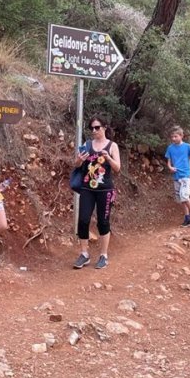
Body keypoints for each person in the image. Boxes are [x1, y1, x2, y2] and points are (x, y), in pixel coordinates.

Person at [73, 115, 121, 269]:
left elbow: (117, 168)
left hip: (105, 190)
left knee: (103, 222)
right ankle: (84, 254)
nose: (94, 130)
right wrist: (80, 159)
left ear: (104, 128)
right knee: (83, 220)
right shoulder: (87, 144)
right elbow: (76, 164)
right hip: (87, 188)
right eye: (91, 128)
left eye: (97, 127)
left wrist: (108, 158)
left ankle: (103, 255)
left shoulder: (112, 146)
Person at [165, 126, 190, 227]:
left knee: (184, 196)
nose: (173, 138)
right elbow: (169, 162)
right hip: (176, 175)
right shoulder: (170, 148)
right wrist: (170, 167)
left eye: (176, 136)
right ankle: (187, 217)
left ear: (181, 136)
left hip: (185, 174)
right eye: (172, 137)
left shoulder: (187, 147)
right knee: (180, 198)